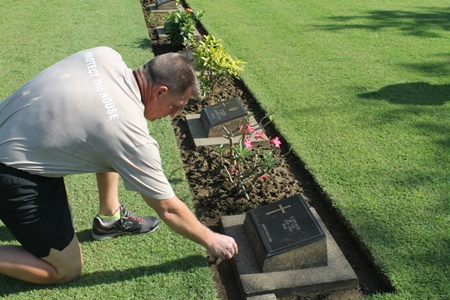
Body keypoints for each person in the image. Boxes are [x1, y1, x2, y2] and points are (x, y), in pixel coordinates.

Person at [0, 46, 238, 284]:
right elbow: (168, 208)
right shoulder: (130, 134)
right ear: (160, 92)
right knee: (66, 269)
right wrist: (212, 239)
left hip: (11, 135)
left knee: (107, 144)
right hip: (12, 171)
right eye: (176, 105)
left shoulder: (105, 55)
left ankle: (110, 218)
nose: (174, 114)